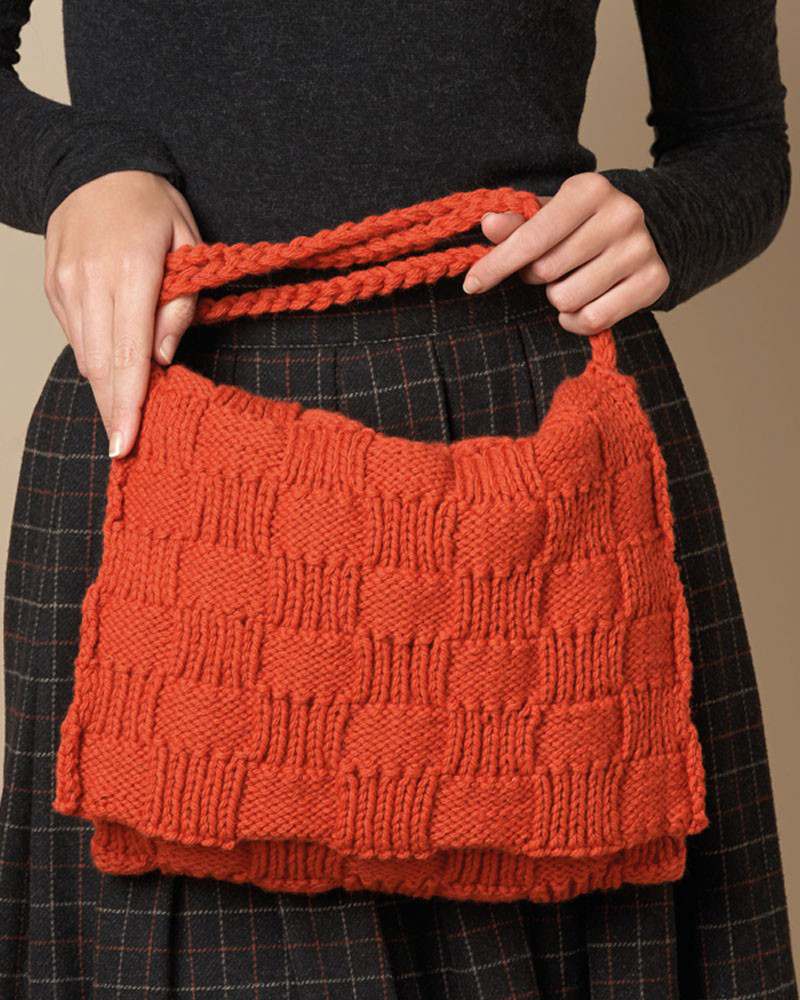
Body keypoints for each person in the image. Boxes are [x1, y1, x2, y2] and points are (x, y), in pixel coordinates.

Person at [0, 3, 795, 998]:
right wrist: (79, 169)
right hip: (171, 445)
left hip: (534, 478)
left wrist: (665, 219)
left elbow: (739, 142)